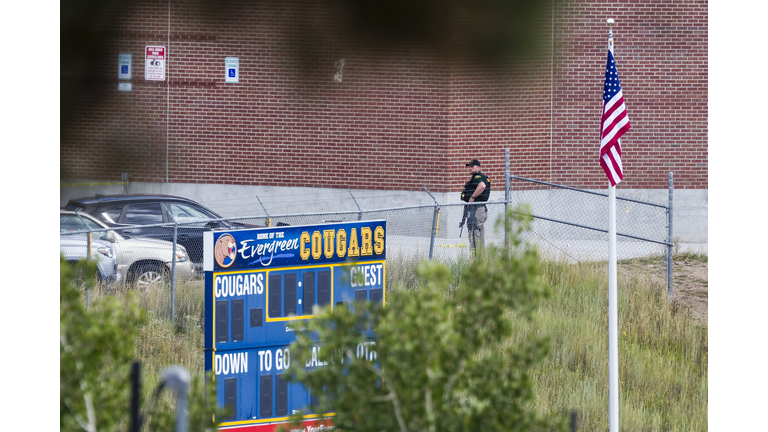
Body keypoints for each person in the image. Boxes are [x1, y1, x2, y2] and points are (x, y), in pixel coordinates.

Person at [459, 159, 491, 252]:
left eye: (472, 166)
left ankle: (475, 258)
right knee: (479, 233)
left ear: (478, 167)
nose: (469, 168)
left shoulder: (477, 177)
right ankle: (481, 257)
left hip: (476, 210)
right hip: (479, 209)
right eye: (469, 166)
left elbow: (482, 186)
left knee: (474, 233)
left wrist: (472, 197)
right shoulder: (475, 177)